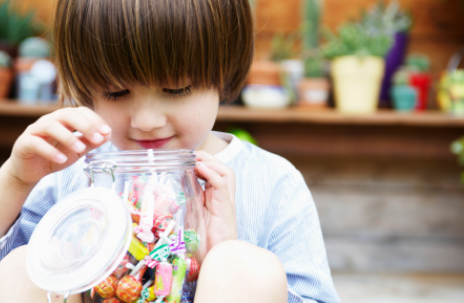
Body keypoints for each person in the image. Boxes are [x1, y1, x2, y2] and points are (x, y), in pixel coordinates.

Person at [0, 0, 340, 302]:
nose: (146, 120)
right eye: (116, 93)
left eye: (176, 89)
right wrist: (14, 181)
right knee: (24, 266)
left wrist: (222, 260)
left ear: (224, 73)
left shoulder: (273, 183)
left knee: (244, 265)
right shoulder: (67, 171)